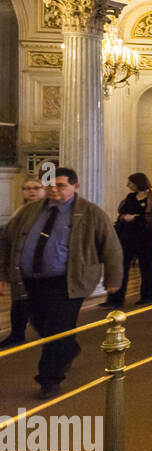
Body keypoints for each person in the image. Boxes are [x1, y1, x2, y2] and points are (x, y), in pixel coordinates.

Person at [0, 168, 122, 397]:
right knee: (40, 322)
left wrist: (114, 279)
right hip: (30, 280)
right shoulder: (31, 211)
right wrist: (3, 275)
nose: (54, 190)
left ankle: (49, 379)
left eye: (61, 185)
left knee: (57, 327)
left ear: (75, 187)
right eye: (51, 186)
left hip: (66, 282)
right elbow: (8, 241)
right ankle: (68, 347)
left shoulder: (91, 213)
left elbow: (111, 247)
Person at [103, 172, 152, 307]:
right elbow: (122, 214)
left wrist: (135, 218)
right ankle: (115, 299)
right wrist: (128, 217)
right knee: (121, 267)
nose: (128, 185)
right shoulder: (130, 197)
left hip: (146, 238)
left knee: (146, 266)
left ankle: (148, 296)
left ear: (139, 183)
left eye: (130, 183)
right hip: (127, 236)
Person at [0, 176, 48, 348]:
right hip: (20, 266)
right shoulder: (19, 211)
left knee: (36, 308)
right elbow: (7, 241)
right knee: (19, 303)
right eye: (27, 188)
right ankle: (17, 334)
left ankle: (59, 342)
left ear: (44, 190)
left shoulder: (50, 212)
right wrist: (4, 273)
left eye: (36, 188)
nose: (31, 191)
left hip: (41, 268)